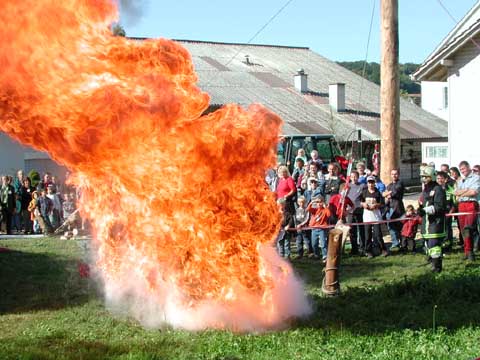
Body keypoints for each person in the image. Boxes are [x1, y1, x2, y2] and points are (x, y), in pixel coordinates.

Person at [418, 166, 447, 272]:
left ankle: (437, 267)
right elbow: (425, 203)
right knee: (429, 246)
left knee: (434, 246)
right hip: (427, 224)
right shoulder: (426, 189)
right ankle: (433, 264)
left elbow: (440, 207)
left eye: (426, 177)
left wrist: (425, 210)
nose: (424, 179)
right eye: (423, 177)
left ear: (432, 177)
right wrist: (420, 209)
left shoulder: (438, 189)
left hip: (436, 224)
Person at [454, 161, 479, 261]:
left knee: (469, 228)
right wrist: (465, 191)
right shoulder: (461, 180)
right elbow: (456, 193)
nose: (462, 171)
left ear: (468, 167)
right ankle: (467, 251)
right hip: (461, 205)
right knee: (463, 230)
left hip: (471, 204)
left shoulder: (476, 178)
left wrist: (462, 193)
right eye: (461, 170)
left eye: (463, 169)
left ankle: (471, 251)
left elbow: (474, 192)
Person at [360, 176, 388, 258]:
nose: (371, 184)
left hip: (376, 216)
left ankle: (383, 249)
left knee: (378, 234)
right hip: (367, 216)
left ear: (374, 183)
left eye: (372, 182)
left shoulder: (377, 192)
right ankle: (368, 251)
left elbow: (382, 203)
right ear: (367, 183)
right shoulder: (364, 192)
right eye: (369, 182)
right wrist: (363, 204)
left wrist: (376, 205)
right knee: (368, 235)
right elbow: (360, 201)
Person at [383, 168, 405, 251]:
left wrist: (386, 193)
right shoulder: (389, 185)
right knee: (391, 226)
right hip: (389, 208)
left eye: (395, 174)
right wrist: (386, 194)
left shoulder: (400, 183)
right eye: (392, 174)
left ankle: (402, 243)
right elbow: (385, 195)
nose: (394, 175)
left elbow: (394, 192)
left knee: (400, 226)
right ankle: (395, 243)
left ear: (398, 175)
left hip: (397, 208)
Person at [347, 170, 366, 255]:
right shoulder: (347, 186)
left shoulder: (362, 186)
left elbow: (365, 197)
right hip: (350, 212)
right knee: (352, 231)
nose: (353, 178)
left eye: (355, 176)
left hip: (359, 211)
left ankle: (362, 248)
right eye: (352, 177)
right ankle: (354, 248)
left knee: (361, 230)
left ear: (358, 177)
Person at [307, 194, 331, 261]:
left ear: (322, 202)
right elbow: (308, 209)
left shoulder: (324, 210)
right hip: (314, 229)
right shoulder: (315, 210)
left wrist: (325, 206)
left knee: (323, 243)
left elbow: (329, 214)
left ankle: (325, 255)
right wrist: (312, 202)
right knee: (314, 243)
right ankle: (316, 254)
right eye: (317, 202)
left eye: (320, 202)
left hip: (322, 229)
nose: (318, 204)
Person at [436, 171, 456, 251]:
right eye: (438, 178)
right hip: (437, 213)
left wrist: (451, 212)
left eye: (441, 178)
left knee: (447, 229)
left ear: (446, 179)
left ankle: (448, 245)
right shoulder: (435, 188)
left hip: (448, 213)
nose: (439, 180)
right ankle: (438, 245)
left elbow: (454, 202)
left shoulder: (450, 189)